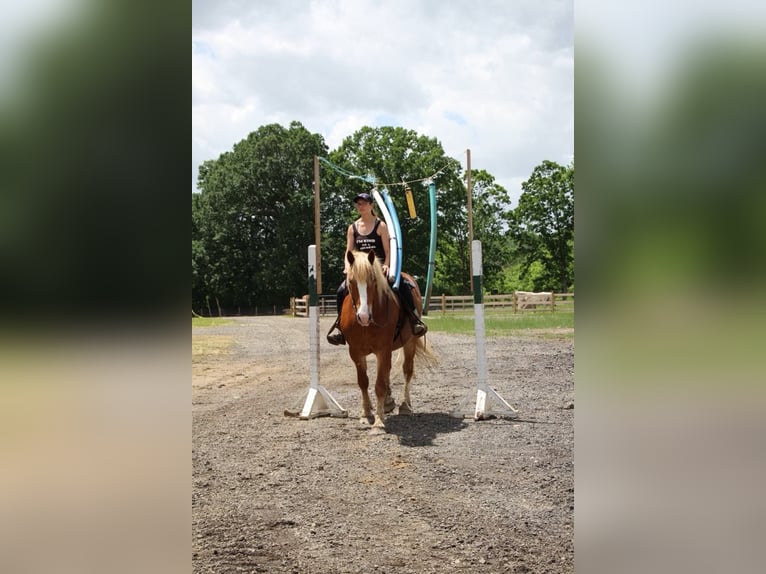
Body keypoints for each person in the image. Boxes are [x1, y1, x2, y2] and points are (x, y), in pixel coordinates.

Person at [326, 192, 427, 345]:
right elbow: (348, 251)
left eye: (364, 203)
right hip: (360, 271)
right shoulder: (352, 228)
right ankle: (340, 327)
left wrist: (387, 264)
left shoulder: (381, 226)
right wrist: (347, 266)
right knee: (341, 290)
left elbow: (388, 251)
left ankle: (414, 320)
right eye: (358, 203)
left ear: (371, 205)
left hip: (379, 270)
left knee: (403, 286)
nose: (361, 206)